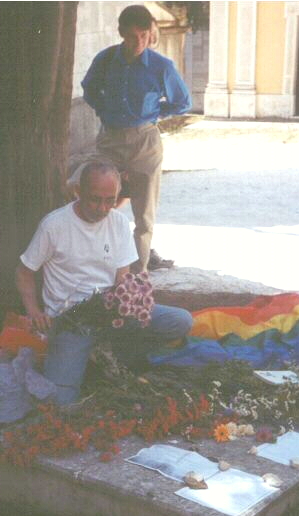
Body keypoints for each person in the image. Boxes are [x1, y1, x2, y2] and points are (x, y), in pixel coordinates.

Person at [16, 162, 193, 405]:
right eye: (95, 199)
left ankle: (111, 354)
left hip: (110, 312)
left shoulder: (118, 222)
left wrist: (130, 301)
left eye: (110, 200)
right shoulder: (54, 225)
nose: (102, 208)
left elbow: (122, 276)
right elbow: (24, 271)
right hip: (72, 320)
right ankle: (91, 358)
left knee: (180, 320)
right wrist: (34, 312)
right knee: (60, 402)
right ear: (78, 191)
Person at [81, 5, 192, 272]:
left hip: (145, 142)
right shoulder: (106, 59)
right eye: (133, 36)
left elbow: (182, 102)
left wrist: (154, 113)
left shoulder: (161, 66)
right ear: (121, 33)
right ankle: (96, 267)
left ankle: (138, 276)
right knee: (94, 200)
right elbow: (89, 90)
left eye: (144, 35)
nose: (140, 42)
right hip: (110, 139)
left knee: (144, 215)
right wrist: (105, 111)